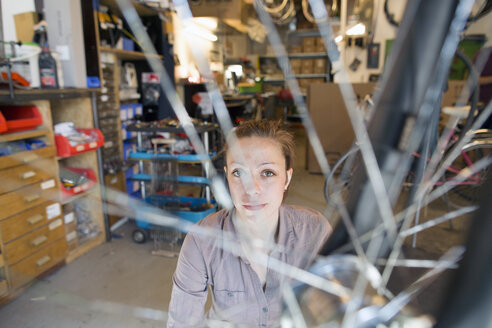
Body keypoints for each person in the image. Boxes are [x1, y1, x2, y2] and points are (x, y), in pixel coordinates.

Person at [167, 119, 332, 327]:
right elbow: (182, 322)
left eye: (267, 173)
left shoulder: (315, 231)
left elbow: (337, 308)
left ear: (287, 179)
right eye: (238, 173)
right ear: (227, 175)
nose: (251, 189)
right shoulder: (201, 240)